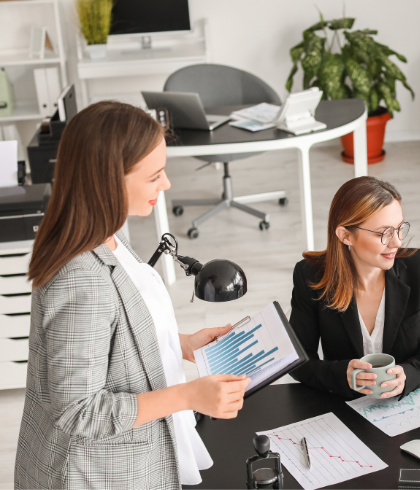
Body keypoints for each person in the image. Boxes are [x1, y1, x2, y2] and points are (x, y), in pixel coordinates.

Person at [16, 101, 250, 489]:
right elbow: (78, 411)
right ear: (109, 180)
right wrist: (187, 395)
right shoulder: (80, 279)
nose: (167, 185)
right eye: (155, 175)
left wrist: (181, 345)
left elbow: (113, 336)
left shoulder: (110, 233)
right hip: (95, 474)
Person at [289, 177, 420, 399]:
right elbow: (297, 360)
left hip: (407, 402)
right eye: (383, 233)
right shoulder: (310, 276)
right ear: (346, 236)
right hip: (344, 407)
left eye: (399, 228)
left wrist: (410, 375)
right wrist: (342, 375)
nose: (396, 242)